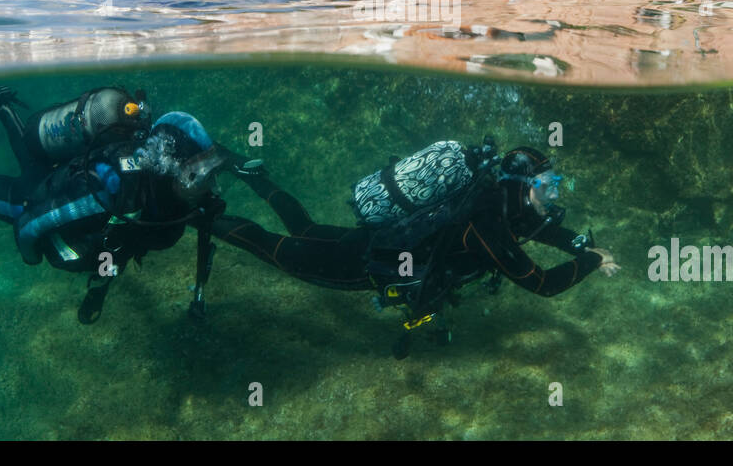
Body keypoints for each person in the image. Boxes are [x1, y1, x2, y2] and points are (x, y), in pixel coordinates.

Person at [209, 142, 619, 358]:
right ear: (522, 186)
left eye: (556, 183)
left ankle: (245, 170)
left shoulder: (494, 199)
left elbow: (541, 230)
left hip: (373, 242)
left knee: (305, 227)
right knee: (275, 250)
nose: (554, 193)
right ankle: (199, 218)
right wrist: (591, 260)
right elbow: (543, 283)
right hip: (365, 266)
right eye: (547, 185)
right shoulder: (488, 224)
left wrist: (581, 244)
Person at [0, 86, 230, 323]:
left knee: (32, 162)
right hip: (32, 201)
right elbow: (29, 222)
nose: (207, 185)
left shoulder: (172, 197)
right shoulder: (115, 187)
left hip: (59, 179)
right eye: (199, 176)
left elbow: (122, 237)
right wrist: (30, 257)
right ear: (172, 167)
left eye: (210, 173)